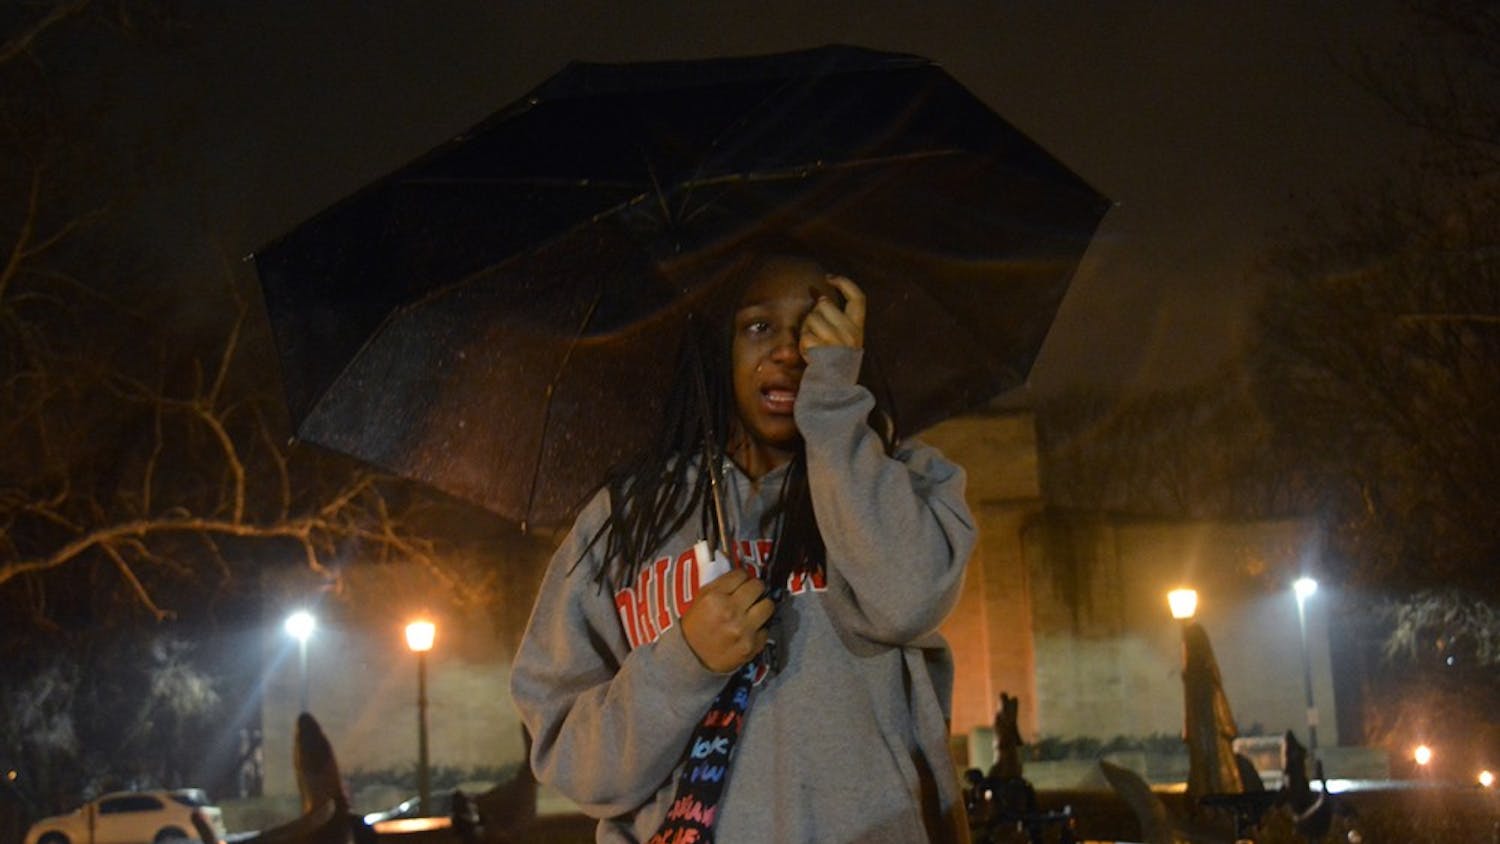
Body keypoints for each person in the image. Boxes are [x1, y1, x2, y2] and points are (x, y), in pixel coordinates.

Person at [509, 244, 977, 842]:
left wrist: (835, 407)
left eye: (817, 326)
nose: (790, 351)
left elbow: (910, 597)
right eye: (758, 327)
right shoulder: (624, 520)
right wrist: (686, 661)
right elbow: (574, 763)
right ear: (715, 347)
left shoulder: (904, 480)